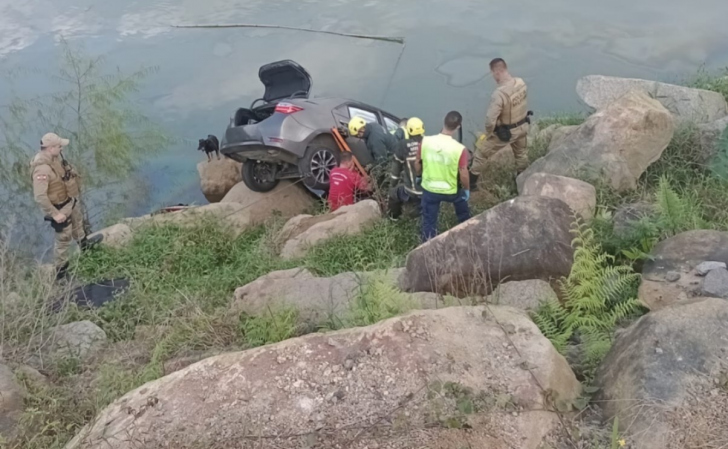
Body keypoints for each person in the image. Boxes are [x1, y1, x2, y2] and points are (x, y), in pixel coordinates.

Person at [30, 133, 96, 280]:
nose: (61, 149)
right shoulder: (42, 169)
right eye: (59, 146)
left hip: (69, 201)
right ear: (51, 148)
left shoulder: (55, 159)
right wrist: (55, 214)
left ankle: (85, 248)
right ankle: (61, 272)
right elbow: (40, 196)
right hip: (59, 208)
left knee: (78, 225)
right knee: (63, 239)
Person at [470, 58, 531, 189]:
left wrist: (489, 133)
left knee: (481, 153)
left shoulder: (499, 94)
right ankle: (522, 178)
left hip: (507, 132)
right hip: (523, 126)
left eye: (492, 73)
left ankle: (471, 183)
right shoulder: (521, 82)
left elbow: (490, 120)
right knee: (521, 153)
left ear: (496, 72)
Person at [416, 111, 471, 242]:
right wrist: (467, 189)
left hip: (430, 190)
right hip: (451, 191)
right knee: (462, 207)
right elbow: (463, 173)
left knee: (429, 222)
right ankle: (468, 233)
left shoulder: (426, 141)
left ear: (443, 121)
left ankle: (428, 247)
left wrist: (418, 176)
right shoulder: (459, 149)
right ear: (458, 127)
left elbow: (417, 162)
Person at [388, 117, 425, 220]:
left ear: (408, 131)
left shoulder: (402, 145)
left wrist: (392, 185)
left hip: (411, 191)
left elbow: (395, 171)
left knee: (393, 194)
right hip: (429, 190)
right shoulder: (429, 143)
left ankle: (394, 219)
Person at [348, 116, 400, 188]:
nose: (358, 137)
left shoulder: (375, 141)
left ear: (361, 130)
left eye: (357, 135)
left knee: (384, 183)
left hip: (394, 160)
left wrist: (373, 178)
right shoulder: (373, 125)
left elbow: (382, 162)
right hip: (396, 150)